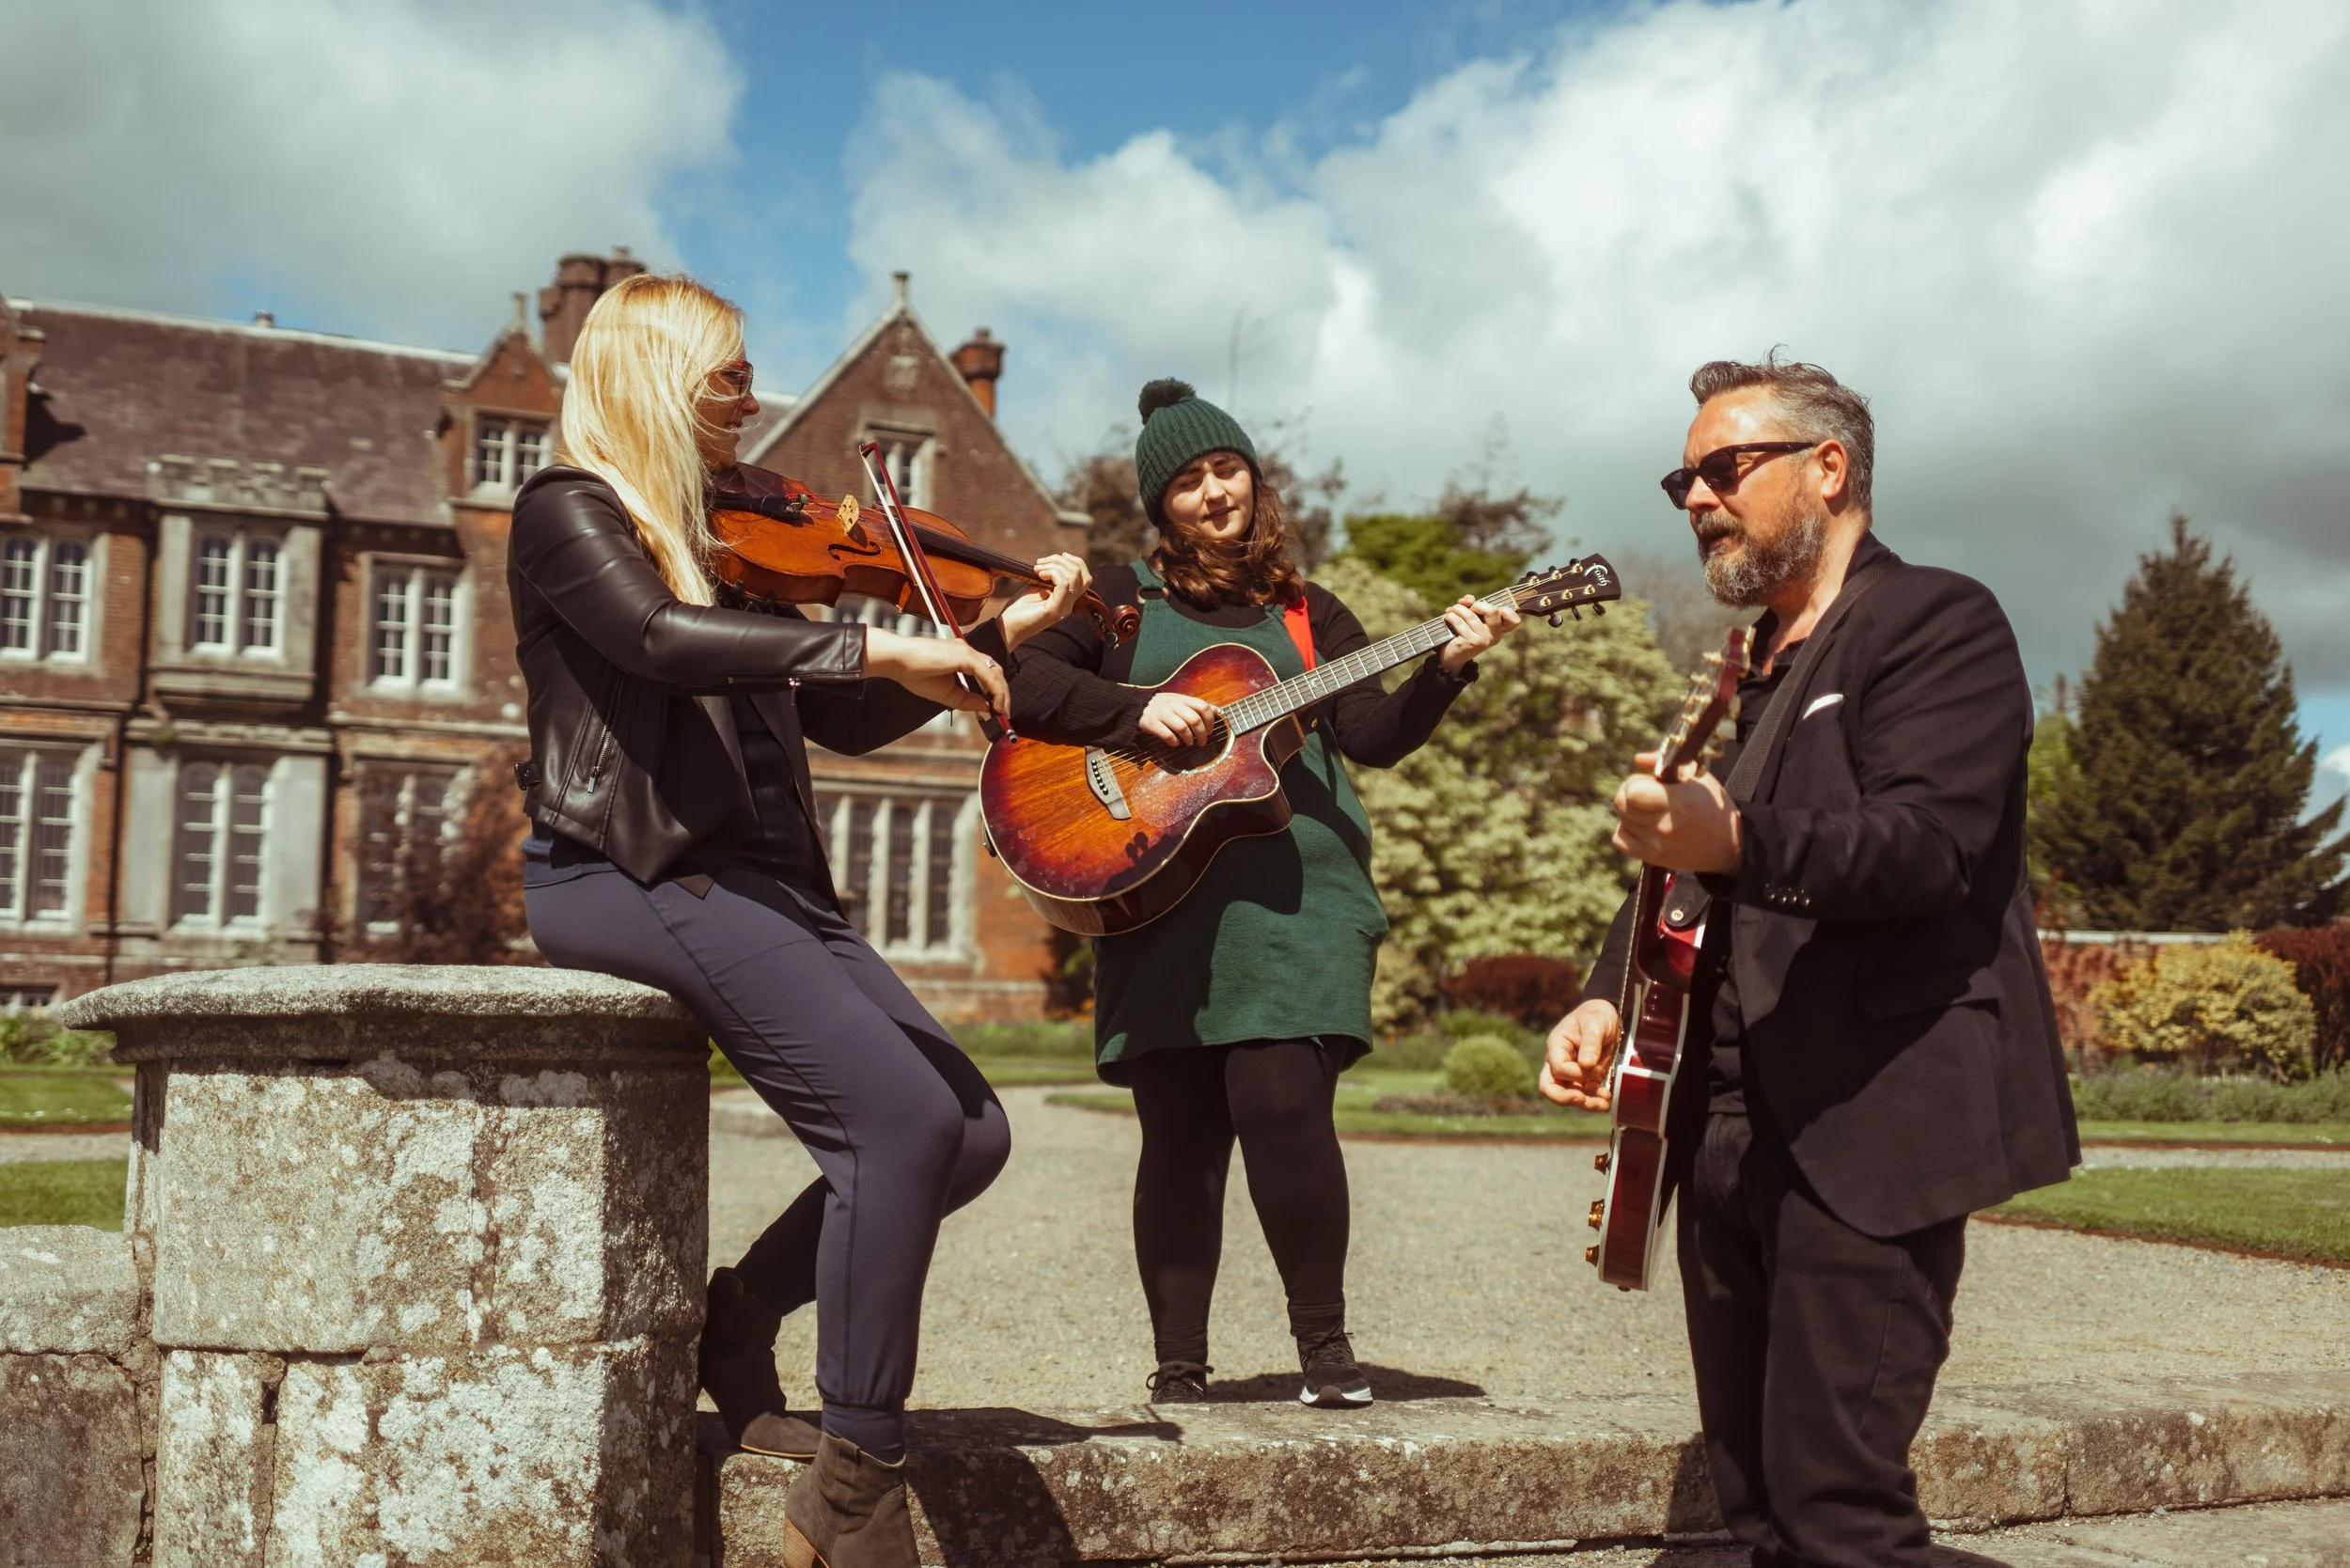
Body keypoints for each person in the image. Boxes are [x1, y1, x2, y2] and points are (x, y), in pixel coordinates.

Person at [508, 272, 1091, 1568]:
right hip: (632, 875)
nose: (748, 399)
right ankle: (854, 1482)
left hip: (767, 884)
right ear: (657, 377)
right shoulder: (569, 511)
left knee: (973, 1134)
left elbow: (836, 713)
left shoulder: (719, 536)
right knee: (897, 1122)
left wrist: (994, 629)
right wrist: (879, 641)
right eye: (725, 377)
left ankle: (738, 1322)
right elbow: (657, 638)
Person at [1543, 355, 2078, 1568]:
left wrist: (1735, 838)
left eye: (1724, 468)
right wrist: (1600, 996)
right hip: (1724, 1127)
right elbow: (1690, 874)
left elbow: (1930, 845)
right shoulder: (1752, 669)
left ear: (1827, 468)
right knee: (1754, 1510)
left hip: (1869, 1129)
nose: (1693, 497)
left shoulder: (1936, 619)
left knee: (1841, 1513)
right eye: (1684, 476)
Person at [1008, 379, 1521, 1409]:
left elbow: (1370, 736)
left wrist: (1447, 669)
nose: (1213, 493)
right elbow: (1021, 682)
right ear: (1162, 505)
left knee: (1283, 1100)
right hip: (1154, 891)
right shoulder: (1116, 598)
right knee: (1181, 1131)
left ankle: (1325, 1350)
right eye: (1189, 481)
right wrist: (1136, 712)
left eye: (1227, 469)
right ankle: (1180, 1370)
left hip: (1296, 896)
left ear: (1254, 477)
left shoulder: (1307, 613)